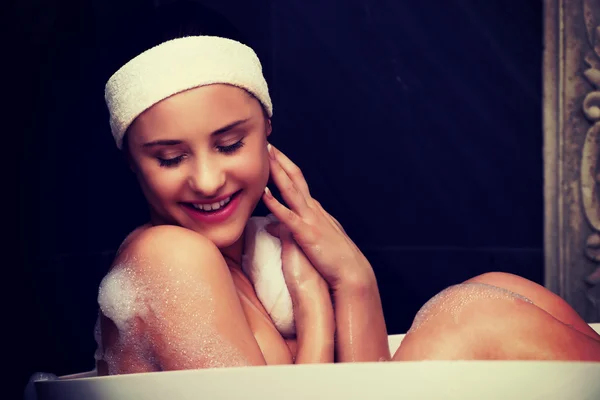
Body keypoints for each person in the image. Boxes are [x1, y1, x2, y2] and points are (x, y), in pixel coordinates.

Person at [95, 1, 600, 376]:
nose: (206, 180)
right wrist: (316, 309)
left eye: (229, 144)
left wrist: (353, 277)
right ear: (132, 161)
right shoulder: (167, 256)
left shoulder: (258, 257)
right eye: (169, 157)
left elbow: (365, 380)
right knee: (474, 321)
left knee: (504, 288)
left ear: (266, 128)